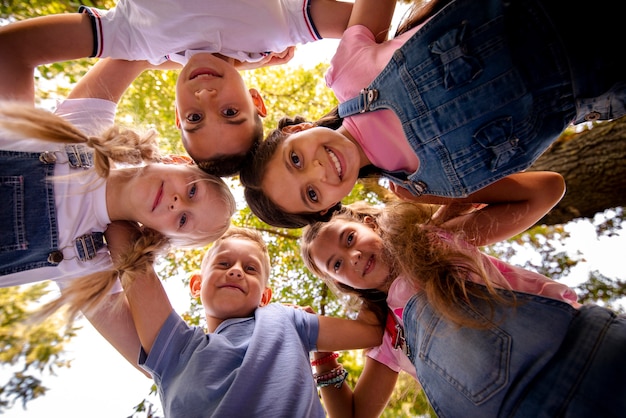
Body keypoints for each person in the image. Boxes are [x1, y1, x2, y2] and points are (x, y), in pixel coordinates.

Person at [239, 0, 626, 228]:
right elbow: (545, 192)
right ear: (326, 207)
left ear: (299, 129)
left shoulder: (348, 75)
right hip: (604, 82)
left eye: (295, 159)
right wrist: (443, 241)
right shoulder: (417, 187)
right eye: (311, 193)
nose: (318, 172)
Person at [300, 172, 626, 417]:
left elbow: (546, 190)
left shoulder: (438, 238)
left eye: (349, 238)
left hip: (580, 354)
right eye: (337, 264)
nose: (353, 256)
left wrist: (435, 194)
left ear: (372, 224)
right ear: (344, 284)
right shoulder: (386, 335)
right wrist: (321, 350)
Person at [0, 51, 236, 371]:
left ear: (160, 233)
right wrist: (228, 62)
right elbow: (136, 52)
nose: (178, 202)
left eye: (182, 220)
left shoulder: (87, 265)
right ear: (179, 162)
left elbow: (153, 360)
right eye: (192, 190)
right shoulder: (85, 132)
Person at [0, 0, 354, 176]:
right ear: (255, 100)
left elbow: (10, 50)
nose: (205, 96)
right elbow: (371, 30)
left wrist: (26, 168)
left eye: (194, 117)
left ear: (176, 114)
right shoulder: (281, 28)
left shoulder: (134, 40)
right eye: (231, 113)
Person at [107, 224, 383, 417]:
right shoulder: (176, 348)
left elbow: (371, 331)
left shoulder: (287, 319)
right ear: (196, 285)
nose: (236, 272)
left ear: (265, 296)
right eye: (224, 264)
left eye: (250, 269)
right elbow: (124, 243)